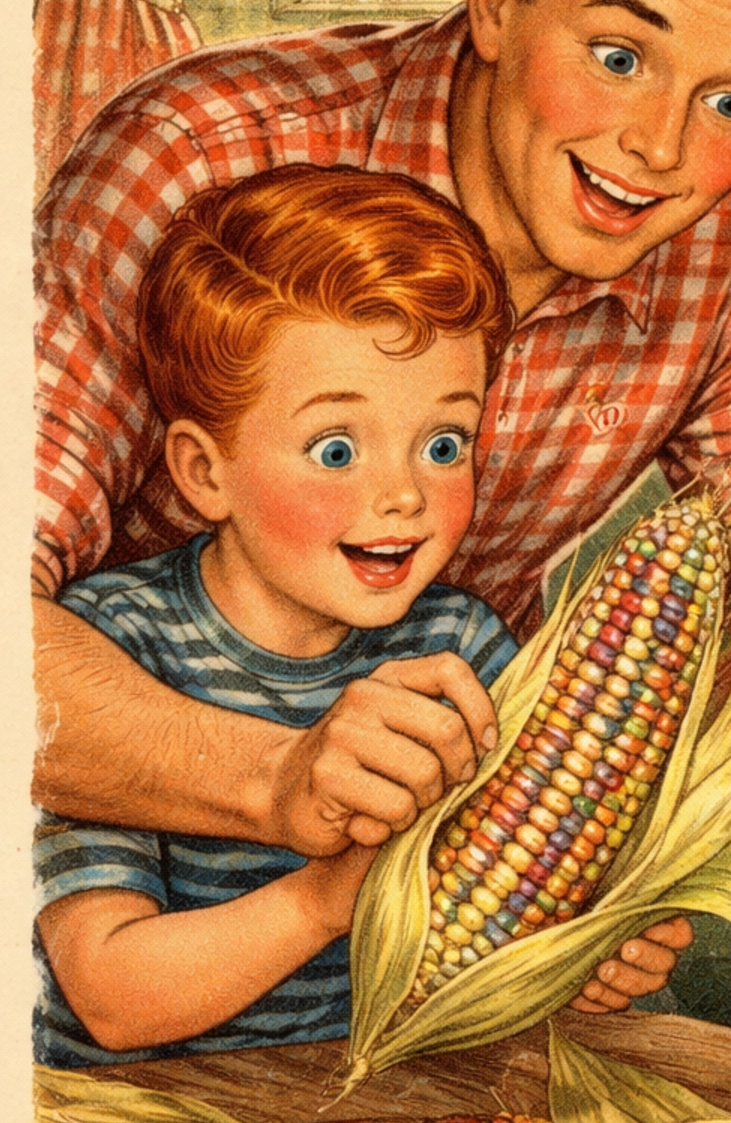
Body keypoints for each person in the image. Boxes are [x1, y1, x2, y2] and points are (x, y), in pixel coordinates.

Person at [35, 0, 731, 896]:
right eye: (618, 56)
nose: (659, 144)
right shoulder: (201, 154)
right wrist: (285, 784)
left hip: (430, 866)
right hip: (104, 839)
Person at [35, 168, 689, 1066]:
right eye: (336, 449)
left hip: (386, 1105)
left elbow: (503, 926)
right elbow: (109, 996)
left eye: (444, 444)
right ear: (202, 473)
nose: (403, 497)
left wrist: (587, 953)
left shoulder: (460, 647)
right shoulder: (113, 649)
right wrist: (323, 900)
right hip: (146, 1121)